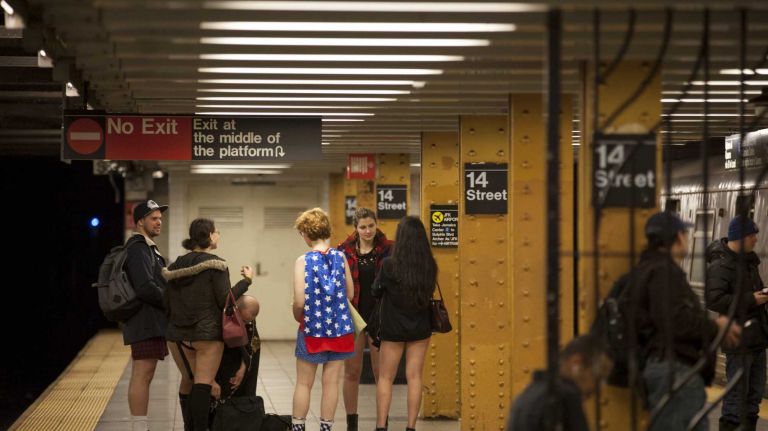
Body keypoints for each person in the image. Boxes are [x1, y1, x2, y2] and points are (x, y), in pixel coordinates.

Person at [629, 211, 741, 431]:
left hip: (668, 370)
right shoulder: (663, 271)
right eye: (686, 234)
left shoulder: (649, 269)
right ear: (678, 237)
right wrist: (716, 326)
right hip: (674, 372)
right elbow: (675, 322)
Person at [162, 218, 253, 431]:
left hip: (177, 335)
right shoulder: (217, 264)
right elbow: (225, 301)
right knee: (203, 383)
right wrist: (246, 281)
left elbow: (166, 301)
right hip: (207, 335)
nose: (218, 235)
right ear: (210, 236)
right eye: (217, 232)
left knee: (188, 379)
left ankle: (188, 428)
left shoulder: (174, 266)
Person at [292, 208, 356, 431]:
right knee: (331, 383)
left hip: (312, 329)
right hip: (340, 328)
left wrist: (296, 315)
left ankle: (299, 427)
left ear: (305, 234)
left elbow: (300, 302)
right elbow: (350, 294)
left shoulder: (303, 261)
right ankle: (326, 428)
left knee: (304, 383)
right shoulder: (341, 257)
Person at [372, 216, 436, 431]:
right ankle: (410, 427)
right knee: (415, 376)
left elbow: (376, 291)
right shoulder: (429, 266)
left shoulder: (389, 265)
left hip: (393, 328)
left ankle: (381, 426)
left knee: (385, 377)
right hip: (420, 327)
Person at [706, 215, 768, 431]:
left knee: (753, 397)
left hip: (757, 339)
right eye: (752, 236)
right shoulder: (721, 265)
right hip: (737, 339)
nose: (755, 240)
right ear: (740, 237)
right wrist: (752, 299)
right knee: (735, 398)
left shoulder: (749, 262)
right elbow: (714, 300)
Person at [337, 208, 393, 431]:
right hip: (353, 318)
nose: (368, 230)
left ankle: (382, 423)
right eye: (363, 227)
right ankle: (352, 423)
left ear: (376, 224)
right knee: (352, 372)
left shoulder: (389, 249)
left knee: (382, 374)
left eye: (371, 225)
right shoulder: (343, 250)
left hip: (381, 318)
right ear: (356, 228)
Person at [122, 199, 170, 431]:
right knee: (142, 373)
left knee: (146, 373)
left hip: (151, 320)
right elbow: (144, 286)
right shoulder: (138, 247)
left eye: (160, 218)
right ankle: (139, 426)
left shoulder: (148, 246)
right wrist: (170, 302)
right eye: (154, 218)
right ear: (140, 221)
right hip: (143, 320)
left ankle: (140, 424)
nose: (159, 222)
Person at [506, 335, 611, 431]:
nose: (597, 388)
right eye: (598, 377)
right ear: (577, 364)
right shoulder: (567, 396)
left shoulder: (526, 396)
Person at [215, 295, 262, 400]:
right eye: (243, 320)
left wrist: (243, 367)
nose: (245, 324)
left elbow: (252, 347)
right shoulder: (224, 316)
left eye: (249, 321)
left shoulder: (249, 323)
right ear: (236, 310)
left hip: (240, 359)